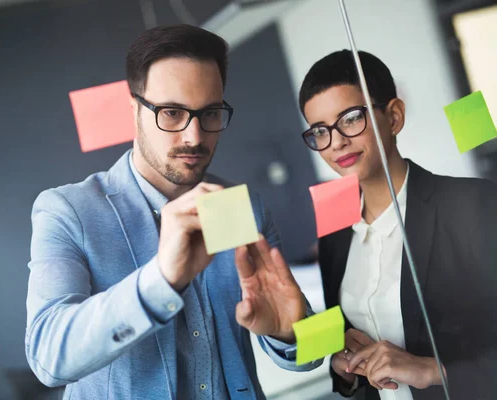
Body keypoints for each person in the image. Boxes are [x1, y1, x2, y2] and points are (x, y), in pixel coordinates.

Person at [25, 24, 320, 400]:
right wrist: (160, 280)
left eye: (210, 113)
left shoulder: (241, 206)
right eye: (171, 112)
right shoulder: (69, 211)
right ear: (133, 109)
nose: (194, 136)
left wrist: (290, 334)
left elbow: (310, 354)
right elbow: (48, 358)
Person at [298, 50, 497, 400]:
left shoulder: (472, 205)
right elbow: (346, 364)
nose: (337, 142)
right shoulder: (335, 233)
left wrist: (432, 370)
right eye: (320, 130)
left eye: (350, 118)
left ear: (393, 116)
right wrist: (341, 366)